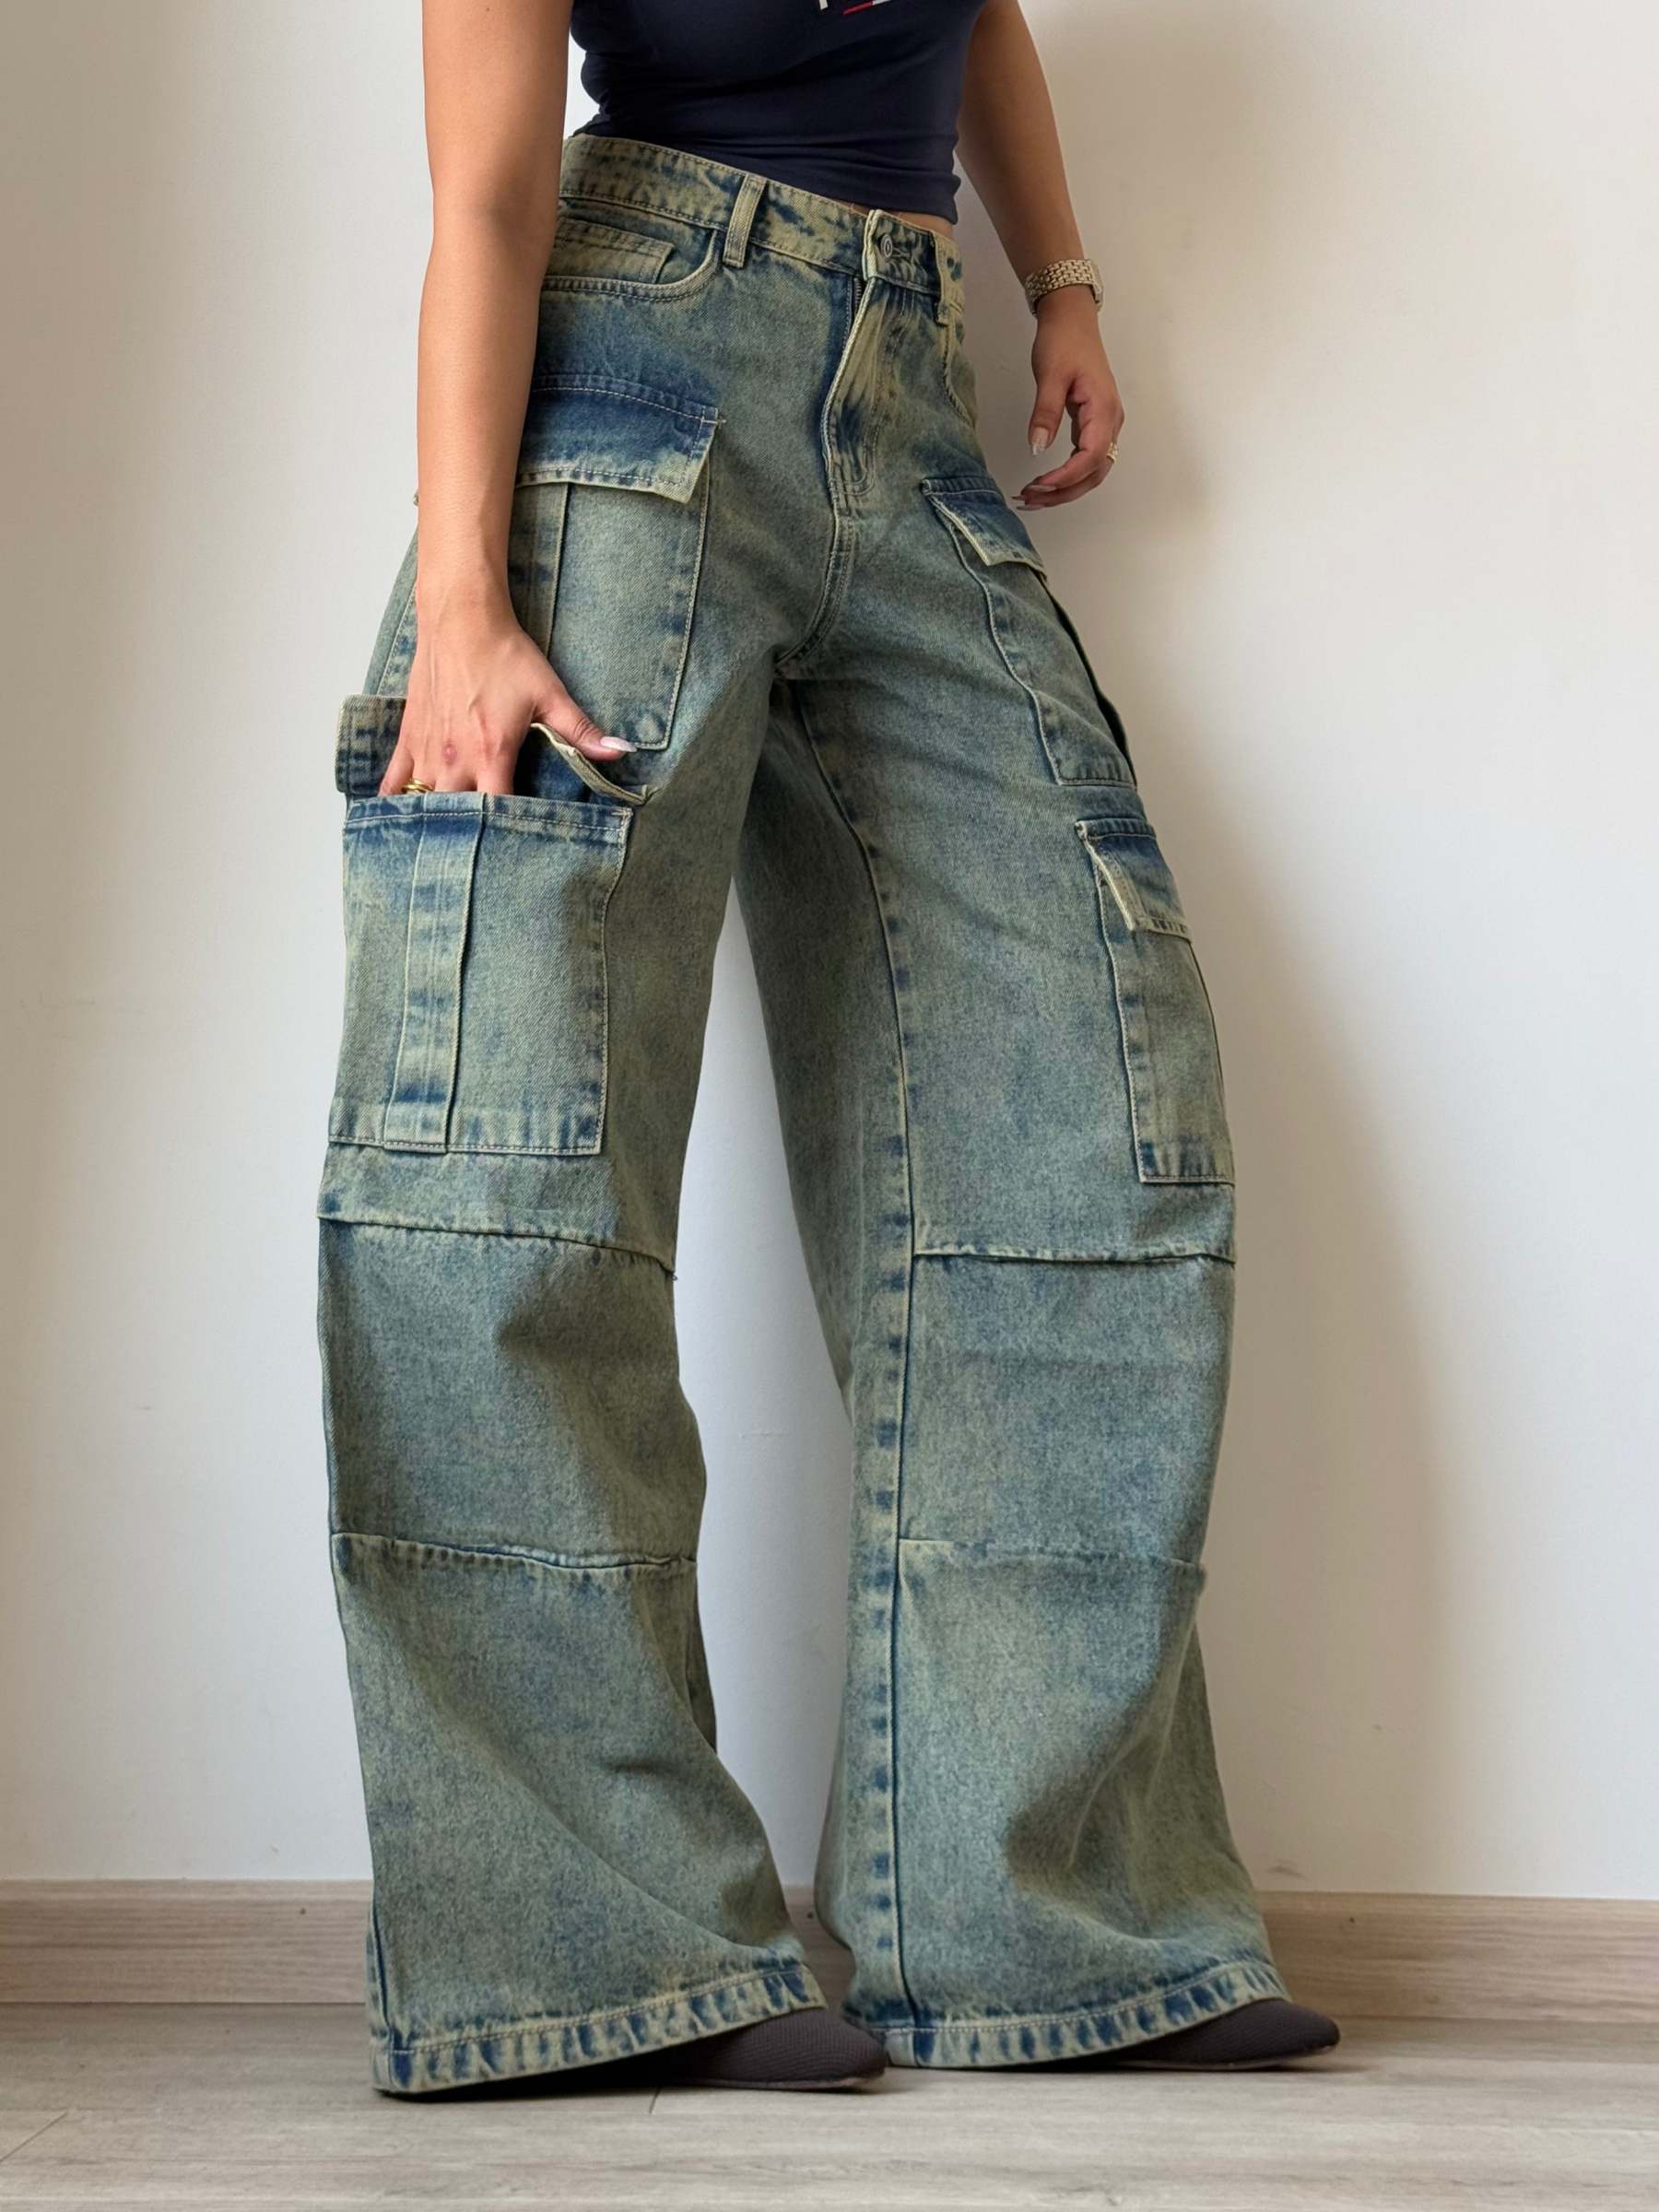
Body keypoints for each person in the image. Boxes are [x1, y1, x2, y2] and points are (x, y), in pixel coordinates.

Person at [317, 0, 1339, 2095]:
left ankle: (1037, 1922)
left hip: (907, 398)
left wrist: (1060, 276)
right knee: (508, 1140)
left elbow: (983, 19)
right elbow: (488, 198)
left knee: (1080, 1096)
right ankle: (583, 1957)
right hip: (625, 381)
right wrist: (464, 602)